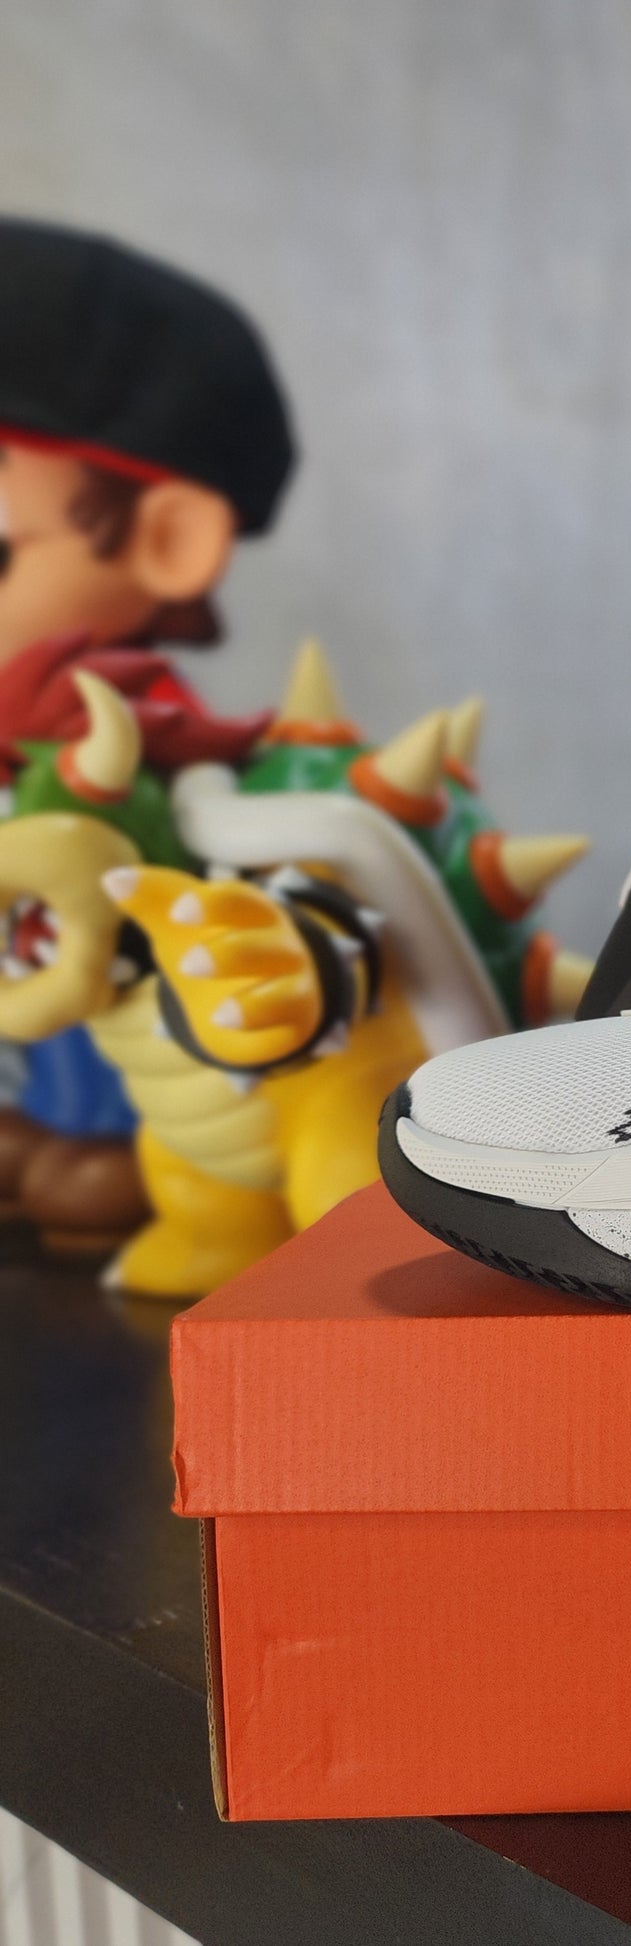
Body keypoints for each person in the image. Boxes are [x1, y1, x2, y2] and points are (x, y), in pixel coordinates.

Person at [0, 216, 295, 1256]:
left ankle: (101, 1133)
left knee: (118, 942)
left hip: (124, 1070)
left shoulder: (148, 752)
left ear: (171, 540)